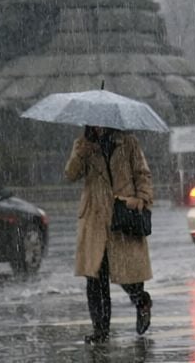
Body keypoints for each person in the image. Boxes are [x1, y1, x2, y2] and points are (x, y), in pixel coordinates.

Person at [66, 125, 155, 344]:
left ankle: (141, 302)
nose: (98, 125)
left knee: (128, 274)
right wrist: (81, 154)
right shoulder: (82, 144)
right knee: (95, 278)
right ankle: (100, 329)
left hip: (122, 214)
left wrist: (142, 199)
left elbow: (142, 173)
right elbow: (70, 174)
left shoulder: (128, 142)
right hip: (94, 218)